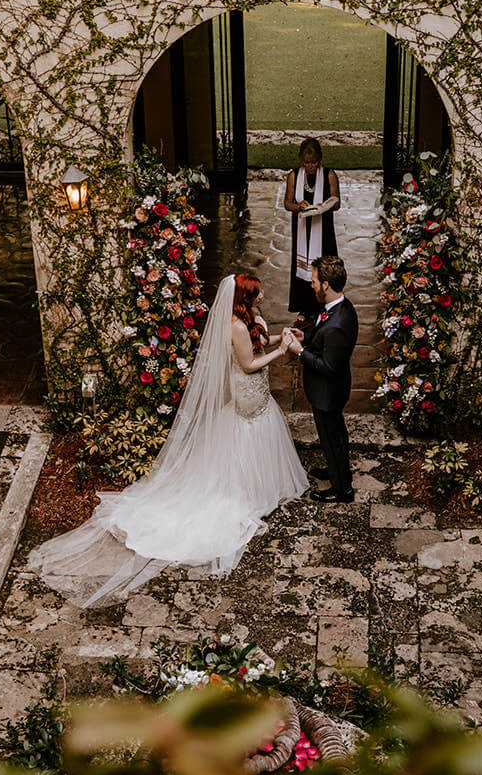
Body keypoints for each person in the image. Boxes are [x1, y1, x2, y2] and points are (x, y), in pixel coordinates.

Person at [28, 274, 307, 608]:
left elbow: (256, 340)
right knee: (245, 437)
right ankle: (244, 491)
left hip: (258, 393)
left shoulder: (248, 319)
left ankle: (260, 486)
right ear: (245, 298)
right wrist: (282, 352)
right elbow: (248, 363)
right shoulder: (233, 325)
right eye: (258, 292)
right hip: (247, 390)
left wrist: (282, 335)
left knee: (261, 432)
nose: (263, 294)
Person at [282, 255, 356, 503]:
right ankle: (336, 470)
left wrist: (299, 352)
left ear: (325, 284)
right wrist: (305, 337)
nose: (311, 285)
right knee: (335, 435)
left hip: (328, 391)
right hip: (332, 390)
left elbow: (328, 366)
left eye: (314, 281)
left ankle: (342, 490)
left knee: (332, 438)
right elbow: (325, 342)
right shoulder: (341, 307)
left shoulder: (337, 324)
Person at [284, 138, 340, 316]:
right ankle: (304, 306)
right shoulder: (293, 175)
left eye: (314, 162)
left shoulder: (330, 175)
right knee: (303, 265)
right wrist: (298, 206)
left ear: (320, 159)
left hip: (323, 228)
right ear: (301, 160)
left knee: (324, 264)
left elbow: (337, 202)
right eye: (307, 162)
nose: (310, 166)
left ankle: (326, 302)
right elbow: (287, 203)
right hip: (302, 227)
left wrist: (324, 207)